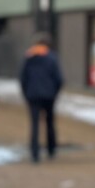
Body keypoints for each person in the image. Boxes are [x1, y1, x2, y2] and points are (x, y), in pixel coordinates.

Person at [19, 32, 63, 163]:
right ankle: (51, 149)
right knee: (49, 123)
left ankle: (35, 153)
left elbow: (23, 78)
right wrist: (54, 93)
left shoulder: (28, 57)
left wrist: (26, 94)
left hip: (32, 95)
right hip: (49, 95)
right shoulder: (51, 58)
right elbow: (59, 79)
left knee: (34, 124)